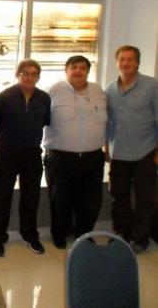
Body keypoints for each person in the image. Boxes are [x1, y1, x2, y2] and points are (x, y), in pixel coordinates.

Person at [0, 59, 50, 257]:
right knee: (1, 196)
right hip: (6, 152)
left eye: (34, 74)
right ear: (18, 75)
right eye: (25, 73)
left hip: (32, 153)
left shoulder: (44, 98)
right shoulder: (4, 97)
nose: (29, 77)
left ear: (38, 77)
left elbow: (44, 122)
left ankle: (30, 236)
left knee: (31, 197)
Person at [43, 55, 107, 249]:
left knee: (91, 201)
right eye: (74, 67)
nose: (78, 71)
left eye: (82, 68)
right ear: (66, 70)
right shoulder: (52, 90)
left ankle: (84, 235)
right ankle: (59, 235)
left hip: (93, 157)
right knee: (60, 200)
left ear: (88, 71)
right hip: (61, 157)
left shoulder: (98, 91)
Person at [106, 45, 157, 253]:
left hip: (145, 153)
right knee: (119, 197)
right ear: (117, 62)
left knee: (145, 199)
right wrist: (106, 148)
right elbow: (109, 122)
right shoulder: (110, 88)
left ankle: (139, 239)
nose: (126, 63)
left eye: (130, 59)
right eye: (122, 59)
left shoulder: (152, 86)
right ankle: (121, 234)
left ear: (137, 63)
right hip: (118, 154)